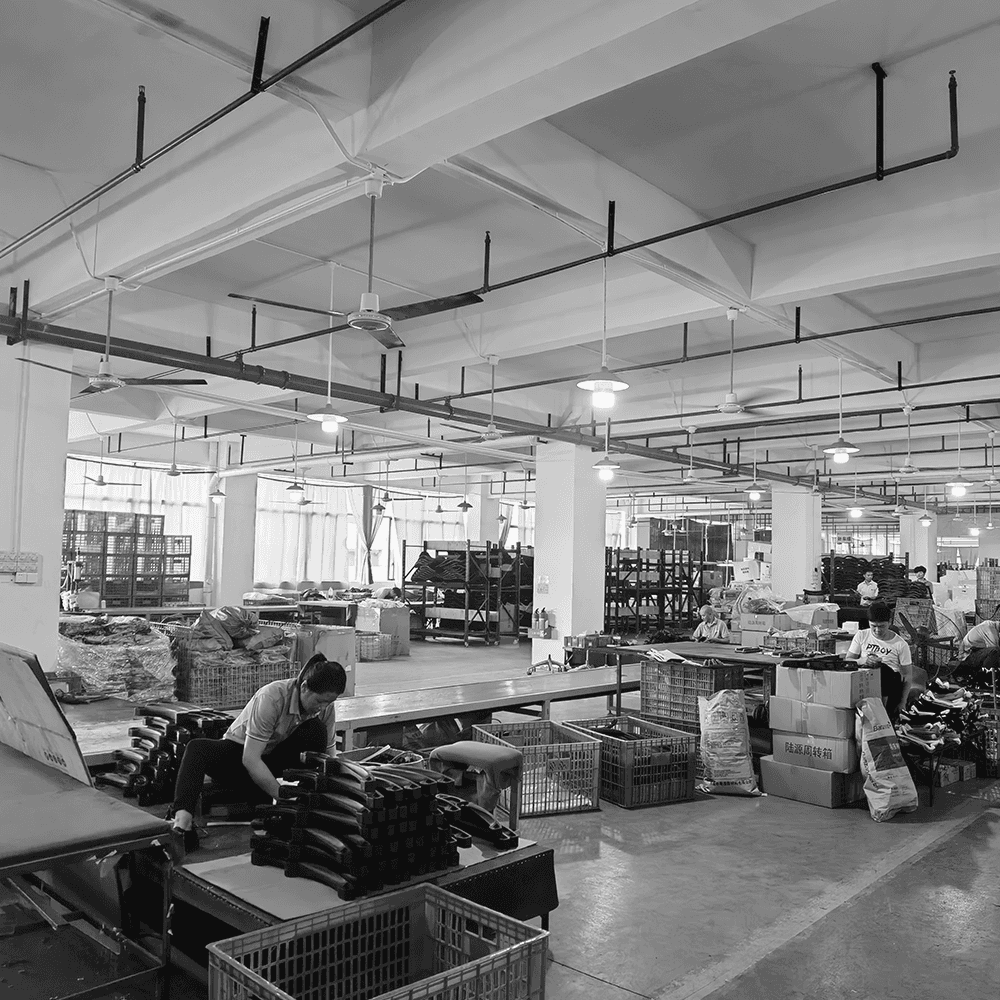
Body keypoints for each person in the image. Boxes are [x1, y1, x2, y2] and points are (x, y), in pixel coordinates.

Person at [169, 655, 347, 852]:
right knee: (197, 749)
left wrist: (339, 793)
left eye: (329, 702)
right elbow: (250, 758)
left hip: (274, 763)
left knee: (316, 730)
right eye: (320, 701)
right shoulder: (272, 697)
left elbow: (329, 757)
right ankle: (183, 821)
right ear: (304, 687)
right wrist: (282, 797)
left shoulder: (325, 709)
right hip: (242, 760)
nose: (322, 707)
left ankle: (304, 803)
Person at [846, 602, 912, 717]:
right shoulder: (861, 635)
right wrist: (862, 660)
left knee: (882, 669)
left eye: (881, 626)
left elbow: (907, 675)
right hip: (866, 678)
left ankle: (882, 711)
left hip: (890, 682)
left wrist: (903, 702)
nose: (877, 630)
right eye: (873, 626)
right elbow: (848, 660)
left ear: (889, 622)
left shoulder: (900, 644)